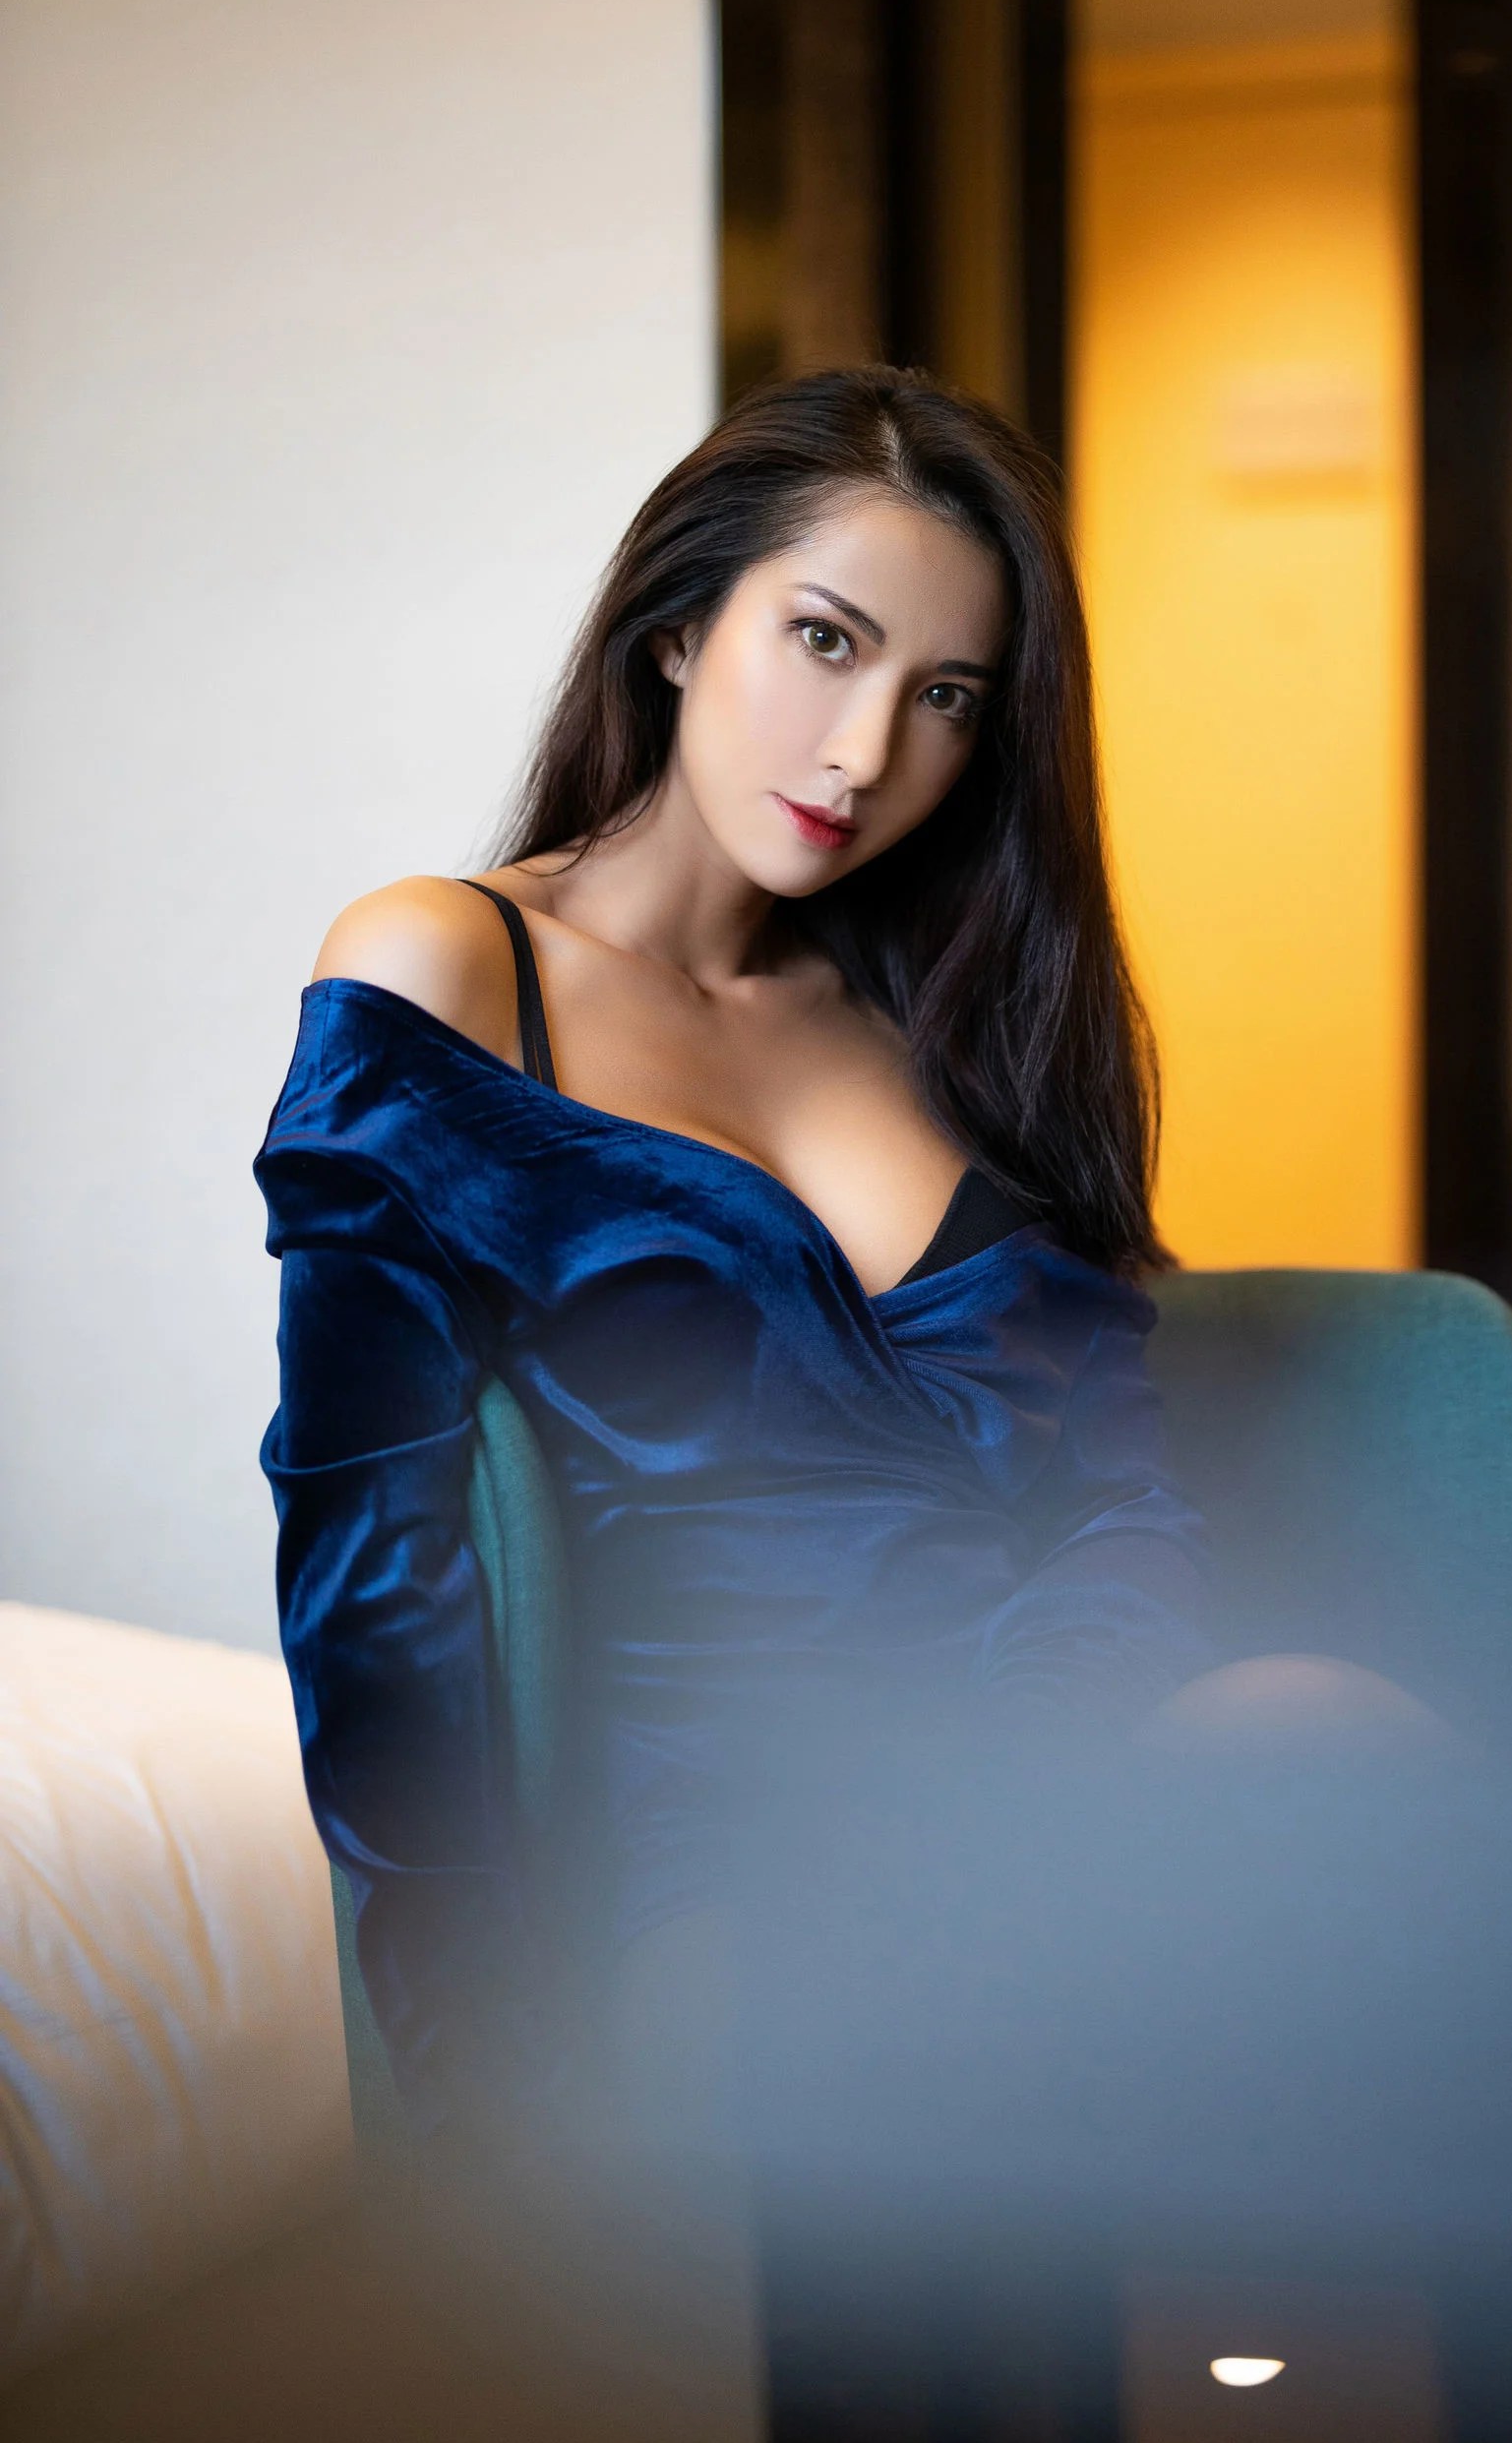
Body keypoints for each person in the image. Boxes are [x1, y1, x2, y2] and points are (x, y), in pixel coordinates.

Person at [256, 364, 1247, 2154]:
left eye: (945, 697)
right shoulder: (449, 974)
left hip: (1047, 1773)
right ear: (675, 627)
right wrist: (471, 2081)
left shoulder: (954, 1021)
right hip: (745, 1864)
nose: (865, 753)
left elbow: (1126, 1507)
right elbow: (373, 1581)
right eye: (824, 639)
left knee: (1335, 1740)